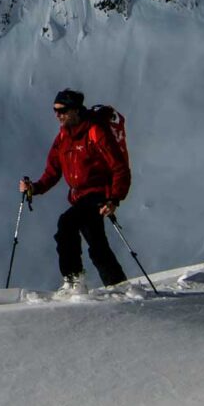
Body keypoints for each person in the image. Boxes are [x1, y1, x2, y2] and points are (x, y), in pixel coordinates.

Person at [18, 88, 129, 292]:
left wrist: (114, 198)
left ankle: (73, 280)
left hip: (98, 194)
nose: (57, 114)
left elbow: (119, 167)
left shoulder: (95, 131)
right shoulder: (63, 138)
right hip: (80, 197)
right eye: (55, 110)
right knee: (97, 246)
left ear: (76, 110)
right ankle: (118, 286)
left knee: (66, 224)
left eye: (62, 110)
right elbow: (52, 172)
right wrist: (34, 187)